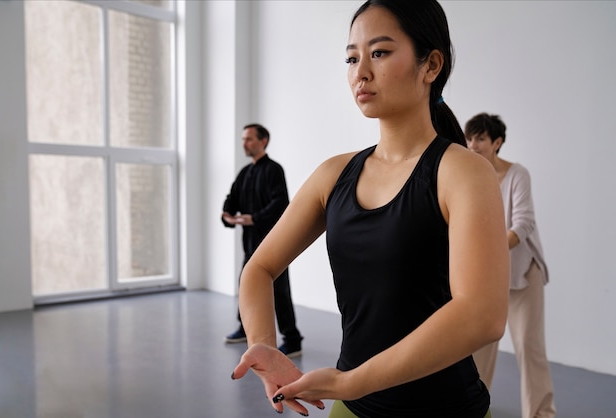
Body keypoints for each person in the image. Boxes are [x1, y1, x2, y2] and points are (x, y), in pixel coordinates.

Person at [231, 1, 510, 417]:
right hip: (353, 409)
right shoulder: (334, 175)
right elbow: (258, 268)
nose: (360, 71)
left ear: (431, 65)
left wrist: (350, 382)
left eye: (379, 53)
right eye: (351, 57)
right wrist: (264, 346)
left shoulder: (464, 173)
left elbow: (482, 315)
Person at [465, 113, 556, 418]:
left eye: (480, 138)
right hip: (488, 277)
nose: (472, 144)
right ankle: (473, 408)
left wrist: (489, 251)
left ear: (497, 143)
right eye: (469, 138)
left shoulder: (518, 175)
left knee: (530, 349)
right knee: (477, 349)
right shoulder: (470, 177)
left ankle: (541, 414)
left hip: (522, 274)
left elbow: (524, 224)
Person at [221, 123, 303, 358]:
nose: (244, 143)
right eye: (243, 139)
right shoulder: (245, 172)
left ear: (263, 141)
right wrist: (227, 213)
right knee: (245, 285)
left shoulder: (274, 170)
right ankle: (246, 329)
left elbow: (280, 205)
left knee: (279, 291)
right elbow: (232, 198)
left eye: (248, 139)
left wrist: (253, 218)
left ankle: (293, 339)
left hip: (274, 244)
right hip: (250, 244)